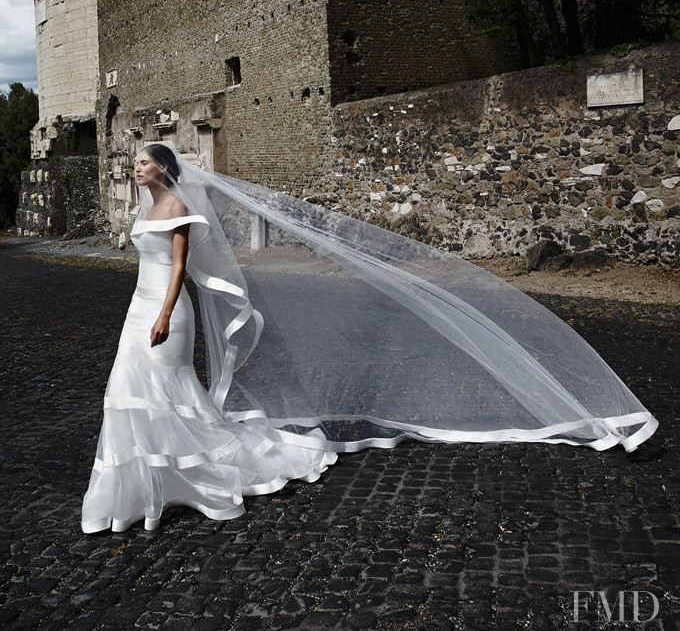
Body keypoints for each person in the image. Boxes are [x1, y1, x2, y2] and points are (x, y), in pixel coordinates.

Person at [82, 143, 657, 533]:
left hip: (166, 312)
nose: (136, 167)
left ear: (164, 168)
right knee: (128, 389)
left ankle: (191, 469)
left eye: (143, 162)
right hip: (138, 306)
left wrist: (162, 315)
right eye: (135, 162)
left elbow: (181, 269)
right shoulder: (146, 206)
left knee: (167, 388)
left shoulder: (179, 206)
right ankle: (143, 487)